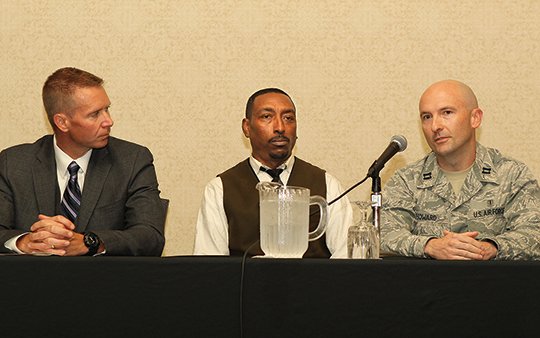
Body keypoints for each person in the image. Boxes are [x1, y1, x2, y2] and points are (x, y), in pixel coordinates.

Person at [0, 67, 165, 256]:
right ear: (62, 122)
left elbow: (150, 236)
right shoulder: (13, 163)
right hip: (31, 282)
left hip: (105, 282)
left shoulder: (133, 160)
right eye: (95, 114)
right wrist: (24, 242)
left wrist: (91, 242)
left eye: (107, 109)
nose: (108, 121)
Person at [381, 80, 540, 260]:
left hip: (494, 285)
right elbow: (381, 234)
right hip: (427, 286)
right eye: (427, 117)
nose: (435, 126)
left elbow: (534, 234)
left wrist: (489, 248)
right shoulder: (406, 181)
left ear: (475, 118)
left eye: (446, 113)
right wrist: (430, 246)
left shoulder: (511, 174)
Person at [194, 88, 352, 257]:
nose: (280, 127)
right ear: (246, 127)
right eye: (267, 117)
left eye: (288, 118)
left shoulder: (327, 184)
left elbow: (346, 260)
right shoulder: (219, 189)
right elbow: (210, 266)